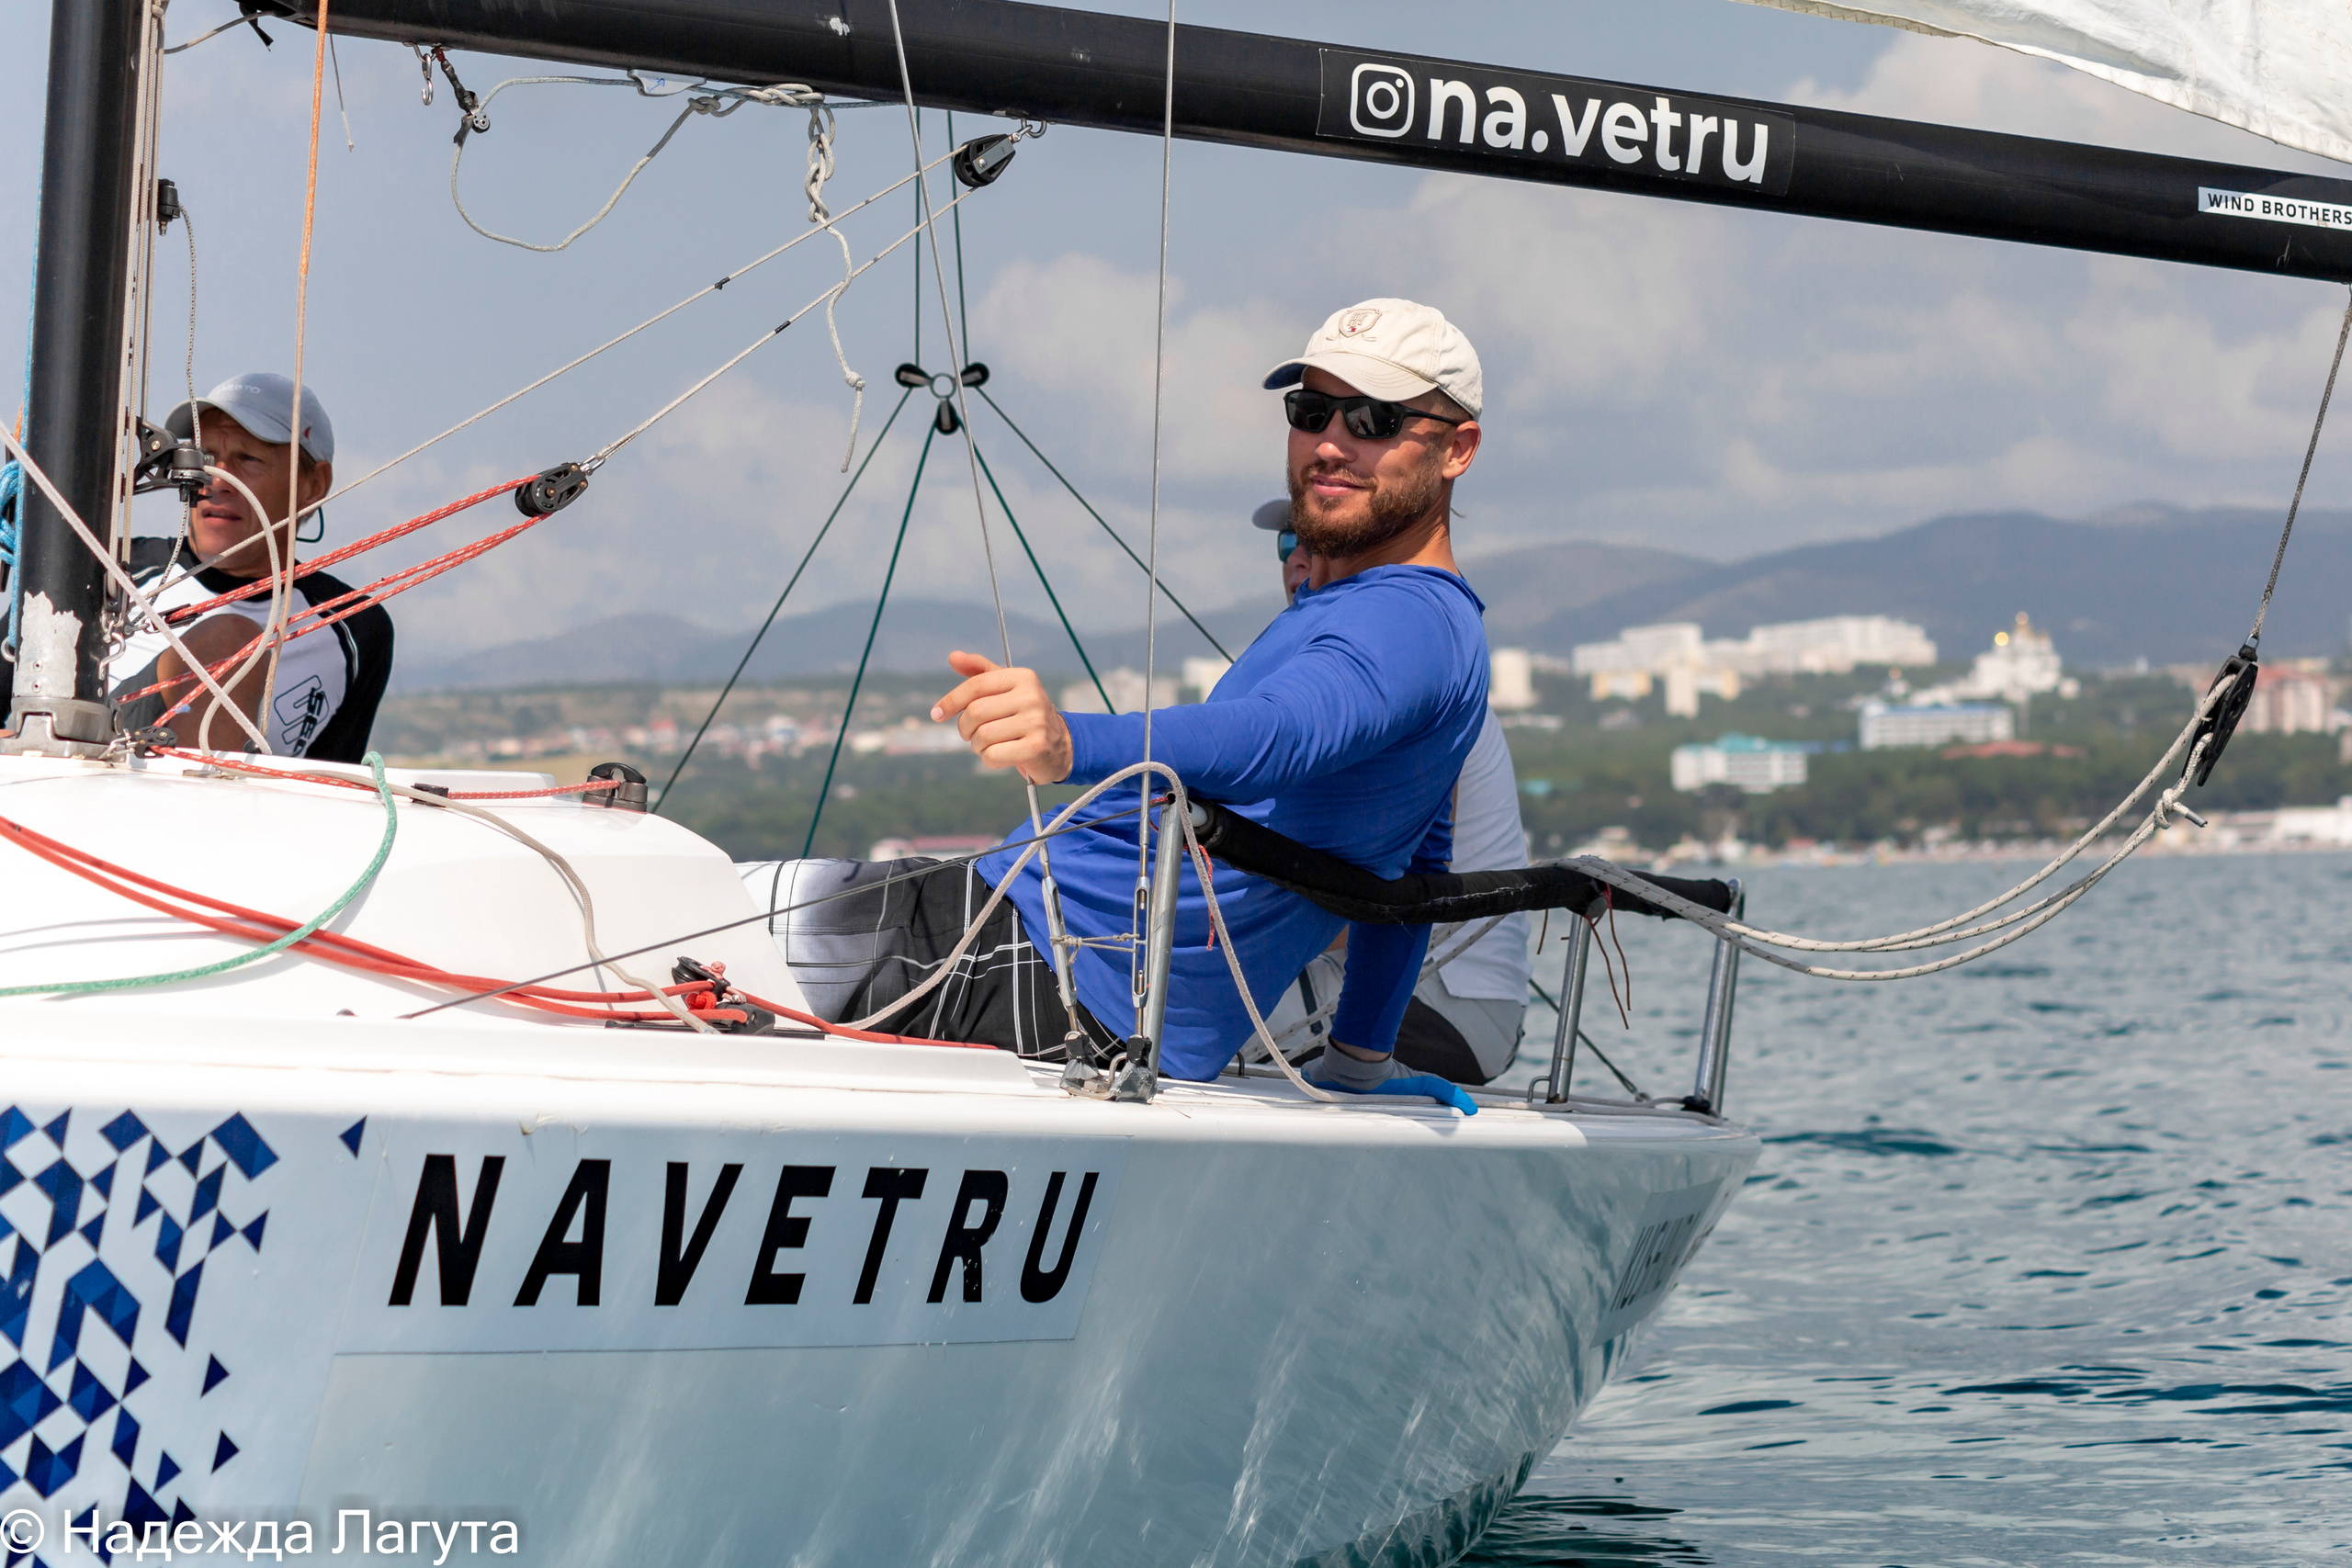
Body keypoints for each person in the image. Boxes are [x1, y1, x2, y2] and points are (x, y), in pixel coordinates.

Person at [742, 299, 1491, 1101]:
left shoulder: (1408, 618)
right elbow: (1416, 869)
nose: (1331, 442)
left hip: (1045, 966)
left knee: (646, 936)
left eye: (1375, 418)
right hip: (1033, 947)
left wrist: (1071, 744)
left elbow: (1277, 735)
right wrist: (1359, 1064)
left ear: (1458, 450)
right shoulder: (1384, 612)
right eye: (1311, 410)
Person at [1250, 498, 1533, 1085]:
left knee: (1180, 995)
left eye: (1326, 542)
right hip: (1389, 990)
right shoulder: (1334, 693)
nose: (1303, 560)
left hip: (1448, 1002)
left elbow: (1399, 880)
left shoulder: (1411, 682)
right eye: (1289, 545)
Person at [111, 374, 392, 761]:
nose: (217, 480)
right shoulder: (112, 569)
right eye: (204, 457)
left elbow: (328, 792)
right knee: (229, 642)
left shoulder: (358, 628)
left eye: (247, 459)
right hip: (79, 780)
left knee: (231, 642)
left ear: (313, 484)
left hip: (249, 815)